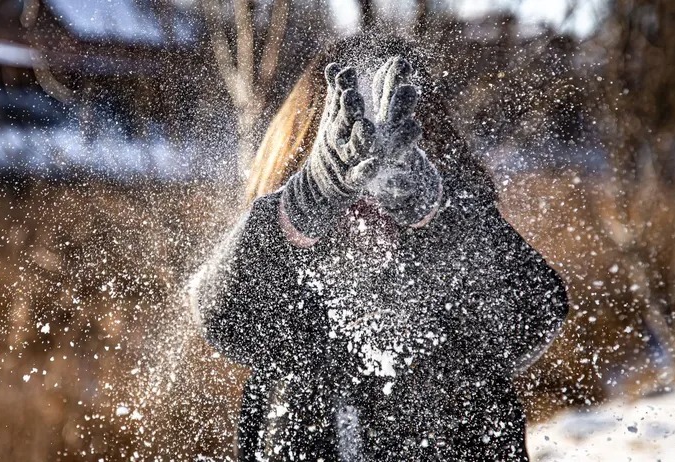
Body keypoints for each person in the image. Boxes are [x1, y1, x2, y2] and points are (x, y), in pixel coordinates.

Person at [189, 35, 569, 461]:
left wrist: (438, 216)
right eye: (348, 146)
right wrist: (299, 208)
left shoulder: (460, 247)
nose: (368, 183)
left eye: (392, 140)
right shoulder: (285, 263)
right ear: (306, 153)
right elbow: (223, 321)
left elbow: (534, 318)